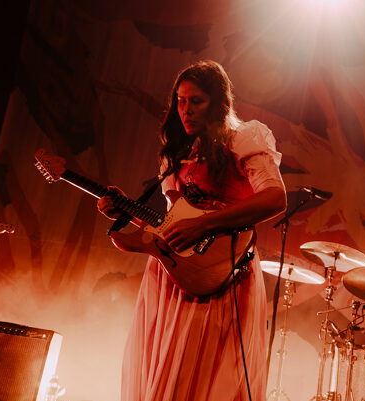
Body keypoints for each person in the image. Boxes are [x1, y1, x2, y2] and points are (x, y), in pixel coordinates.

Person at [97, 60, 287, 400]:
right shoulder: (179, 154)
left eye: (196, 101)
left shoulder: (243, 138)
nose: (185, 110)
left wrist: (203, 224)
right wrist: (127, 211)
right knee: (163, 372)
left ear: (218, 103)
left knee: (198, 376)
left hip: (222, 272)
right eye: (181, 101)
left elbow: (275, 198)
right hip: (173, 273)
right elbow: (174, 223)